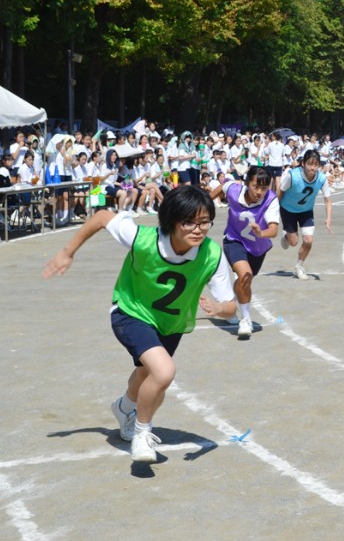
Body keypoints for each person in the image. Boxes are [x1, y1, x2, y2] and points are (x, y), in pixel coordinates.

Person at [42, 186, 237, 462]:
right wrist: (67, 251)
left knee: (147, 374)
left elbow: (230, 306)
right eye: (190, 222)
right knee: (164, 371)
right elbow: (101, 217)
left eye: (205, 221)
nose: (199, 229)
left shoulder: (211, 255)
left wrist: (219, 308)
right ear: (171, 220)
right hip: (130, 311)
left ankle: (124, 408)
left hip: (171, 323)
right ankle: (142, 433)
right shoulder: (142, 238)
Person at [213, 167, 279, 337]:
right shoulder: (234, 190)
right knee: (245, 275)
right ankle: (246, 319)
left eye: (264, 188)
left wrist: (261, 233)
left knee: (245, 282)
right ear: (247, 183)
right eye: (256, 186)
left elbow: (273, 230)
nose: (259, 192)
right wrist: (205, 204)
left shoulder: (271, 200)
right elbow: (222, 187)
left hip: (258, 247)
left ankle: (230, 305)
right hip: (234, 239)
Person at [278, 149, 333, 279]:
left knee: (308, 240)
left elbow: (327, 200)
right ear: (303, 163)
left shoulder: (321, 178)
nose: (312, 168)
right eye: (309, 164)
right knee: (293, 242)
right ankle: (286, 236)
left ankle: (299, 266)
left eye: (316, 164)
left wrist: (328, 219)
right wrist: (274, 210)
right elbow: (280, 191)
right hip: (288, 210)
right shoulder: (292, 176)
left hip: (306, 211)